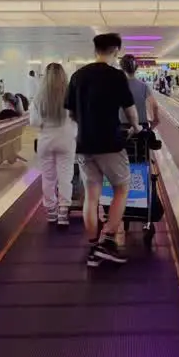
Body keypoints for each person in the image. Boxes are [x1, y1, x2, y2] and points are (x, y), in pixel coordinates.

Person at [65, 33, 139, 266]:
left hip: (84, 144)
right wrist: (135, 127)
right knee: (122, 188)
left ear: (95, 49)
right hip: (110, 143)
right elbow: (129, 109)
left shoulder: (78, 76)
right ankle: (107, 240)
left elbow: (71, 113)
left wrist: (87, 125)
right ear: (115, 50)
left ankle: (93, 245)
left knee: (91, 194)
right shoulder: (116, 76)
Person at [31, 62, 76, 225]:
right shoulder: (71, 94)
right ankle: (63, 211)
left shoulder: (38, 97)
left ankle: (51, 211)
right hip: (66, 140)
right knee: (66, 177)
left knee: (48, 177)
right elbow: (77, 117)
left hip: (46, 141)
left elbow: (34, 122)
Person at [121, 54, 161, 129]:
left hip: (122, 125)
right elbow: (155, 105)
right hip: (141, 124)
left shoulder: (116, 86)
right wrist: (155, 119)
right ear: (136, 68)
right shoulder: (143, 86)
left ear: (122, 68)